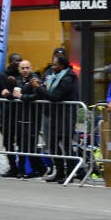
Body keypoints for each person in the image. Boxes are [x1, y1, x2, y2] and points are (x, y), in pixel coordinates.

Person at [31, 51, 79, 183]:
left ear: (62, 66)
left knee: (66, 145)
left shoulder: (68, 77)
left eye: (55, 64)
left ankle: (70, 173)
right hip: (54, 115)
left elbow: (54, 97)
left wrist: (39, 87)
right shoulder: (54, 75)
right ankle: (59, 172)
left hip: (65, 116)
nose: (52, 66)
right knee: (52, 144)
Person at [11, 60, 48, 179]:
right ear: (19, 69)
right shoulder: (18, 79)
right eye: (22, 68)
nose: (25, 70)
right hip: (20, 116)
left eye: (27, 68)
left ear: (31, 68)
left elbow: (38, 95)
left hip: (33, 117)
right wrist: (8, 94)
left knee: (30, 145)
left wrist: (22, 97)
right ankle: (21, 170)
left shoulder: (35, 79)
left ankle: (40, 168)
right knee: (21, 144)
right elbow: (15, 94)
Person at [0, 52, 23, 177]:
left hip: (21, 113)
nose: (19, 62)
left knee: (21, 141)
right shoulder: (1, 75)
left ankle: (21, 168)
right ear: (10, 62)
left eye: (20, 60)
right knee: (7, 141)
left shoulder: (22, 74)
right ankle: (13, 167)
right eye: (16, 60)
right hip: (6, 113)